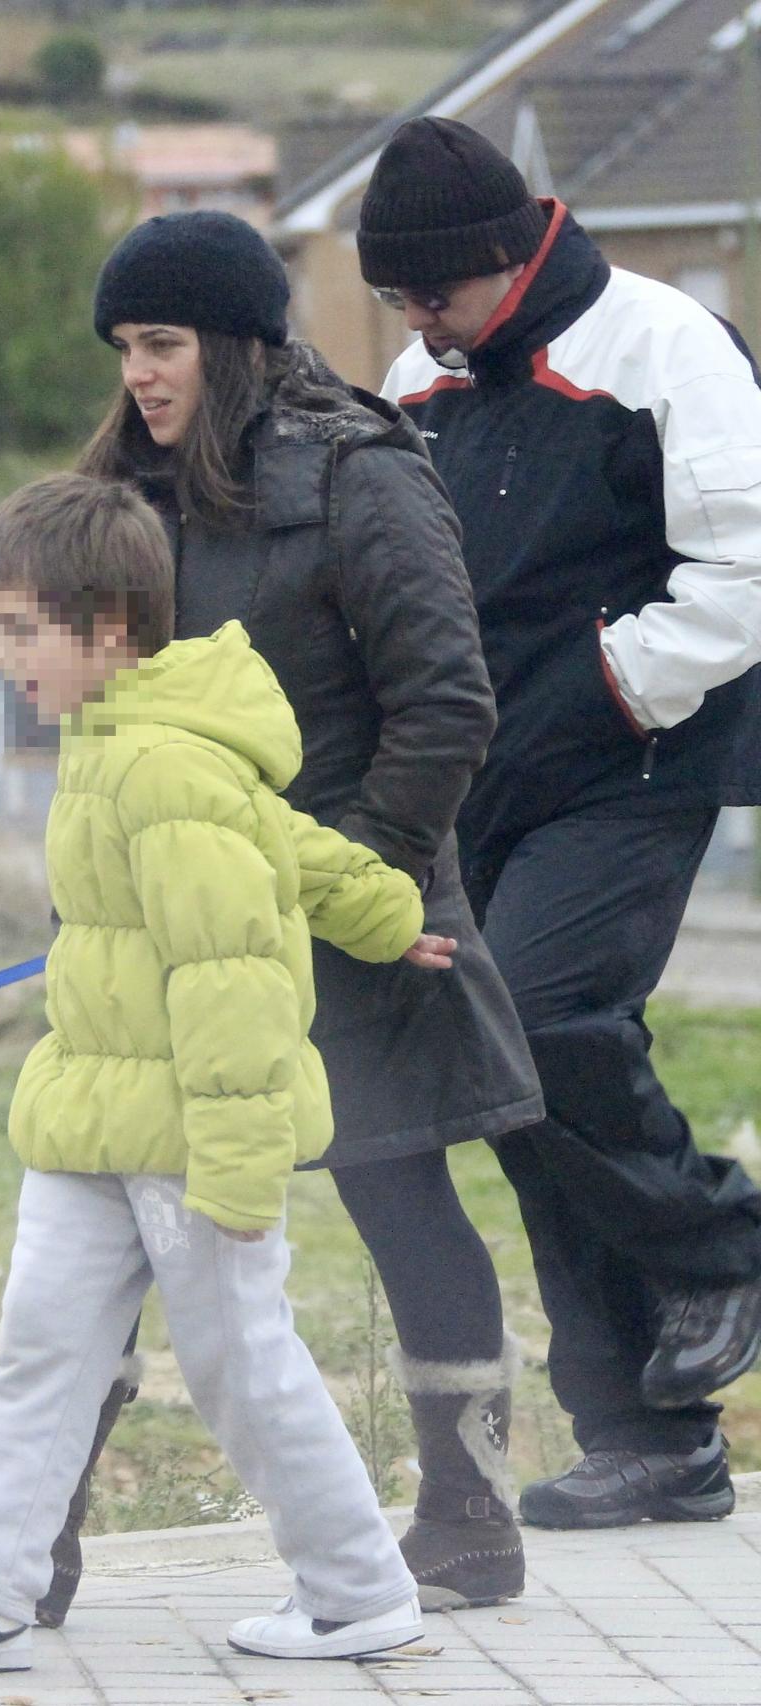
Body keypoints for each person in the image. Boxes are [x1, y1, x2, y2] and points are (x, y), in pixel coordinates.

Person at [0, 211, 544, 1617]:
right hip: (178, 918)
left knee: (399, 1192)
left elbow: (446, 704)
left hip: (364, 890)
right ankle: (28, 1553)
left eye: (164, 343)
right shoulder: (120, 487)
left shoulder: (365, 475)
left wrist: (357, 883)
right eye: (124, 348)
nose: (142, 374)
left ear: (237, 343)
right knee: (107, 1213)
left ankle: (470, 1516)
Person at [0, 471, 450, 1678]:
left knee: (243, 1366)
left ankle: (358, 1591)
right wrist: (379, 908)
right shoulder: (120, 744)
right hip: (96, 1115)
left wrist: (241, 1171)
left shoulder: (159, 766)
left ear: (105, 628)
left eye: (20, 630)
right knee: (40, 1349)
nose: (4, 657)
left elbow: (231, 966)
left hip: (195, 1140)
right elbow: (282, 839)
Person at [356, 117, 761, 1529]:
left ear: (505, 256)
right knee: (502, 1071)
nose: (415, 321)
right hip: (492, 774)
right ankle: (650, 1436)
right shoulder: (425, 378)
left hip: (637, 756)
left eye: (433, 293)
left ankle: (725, 1245)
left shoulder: (670, 348)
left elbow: (741, 575)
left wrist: (608, 686)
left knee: (536, 1015)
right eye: (397, 299)